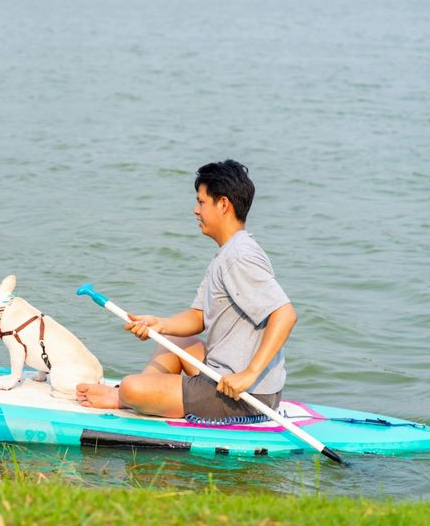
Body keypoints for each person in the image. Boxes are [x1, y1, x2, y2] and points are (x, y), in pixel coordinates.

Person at [76, 160, 297, 420]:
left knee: (131, 386)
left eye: (201, 202)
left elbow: (284, 314)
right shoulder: (226, 253)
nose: (195, 210)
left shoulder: (239, 256)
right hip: (220, 371)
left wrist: (248, 376)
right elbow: (198, 316)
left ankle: (128, 397)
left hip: (244, 395)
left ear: (223, 204)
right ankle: (141, 399)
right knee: (172, 340)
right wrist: (159, 324)